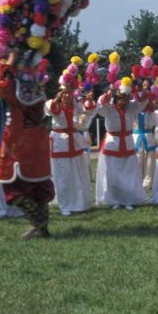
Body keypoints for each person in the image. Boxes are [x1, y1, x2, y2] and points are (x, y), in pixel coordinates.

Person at [0, 51, 54, 238]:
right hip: (37, 140)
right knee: (38, 185)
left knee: (13, 187)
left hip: (23, 142)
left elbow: (2, 85)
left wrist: (8, 63)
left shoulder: (21, 89)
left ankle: (38, 221)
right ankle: (42, 228)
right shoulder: (36, 87)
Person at [95, 78, 148, 209]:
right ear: (116, 99)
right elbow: (100, 107)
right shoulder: (109, 109)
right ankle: (114, 200)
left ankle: (128, 199)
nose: (124, 101)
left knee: (128, 172)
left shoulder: (132, 107)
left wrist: (139, 89)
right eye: (121, 98)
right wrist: (109, 92)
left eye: (126, 98)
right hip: (112, 143)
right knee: (112, 173)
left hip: (128, 142)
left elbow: (143, 101)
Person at [45, 81, 92, 216]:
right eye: (64, 92)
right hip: (60, 143)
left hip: (74, 140)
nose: (67, 95)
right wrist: (57, 98)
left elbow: (89, 110)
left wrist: (89, 99)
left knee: (77, 172)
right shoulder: (53, 103)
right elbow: (51, 110)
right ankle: (64, 205)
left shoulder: (76, 105)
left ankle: (80, 202)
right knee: (62, 175)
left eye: (69, 92)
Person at [132, 79, 157, 190]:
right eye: (143, 87)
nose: (145, 89)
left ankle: (148, 183)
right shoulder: (133, 106)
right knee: (137, 160)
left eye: (147, 87)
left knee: (150, 160)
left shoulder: (152, 109)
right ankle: (137, 182)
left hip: (148, 135)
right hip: (136, 136)